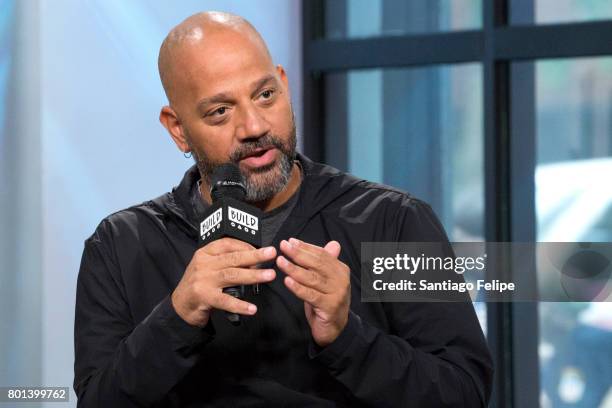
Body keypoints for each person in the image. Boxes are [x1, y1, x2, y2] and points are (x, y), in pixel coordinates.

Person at [73, 11, 493, 407]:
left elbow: (463, 391)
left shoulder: (393, 222)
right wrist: (177, 317)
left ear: (284, 84)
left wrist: (349, 338)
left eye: (265, 95)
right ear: (178, 129)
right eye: (221, 111)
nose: (255, 126)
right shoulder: (120, 246)